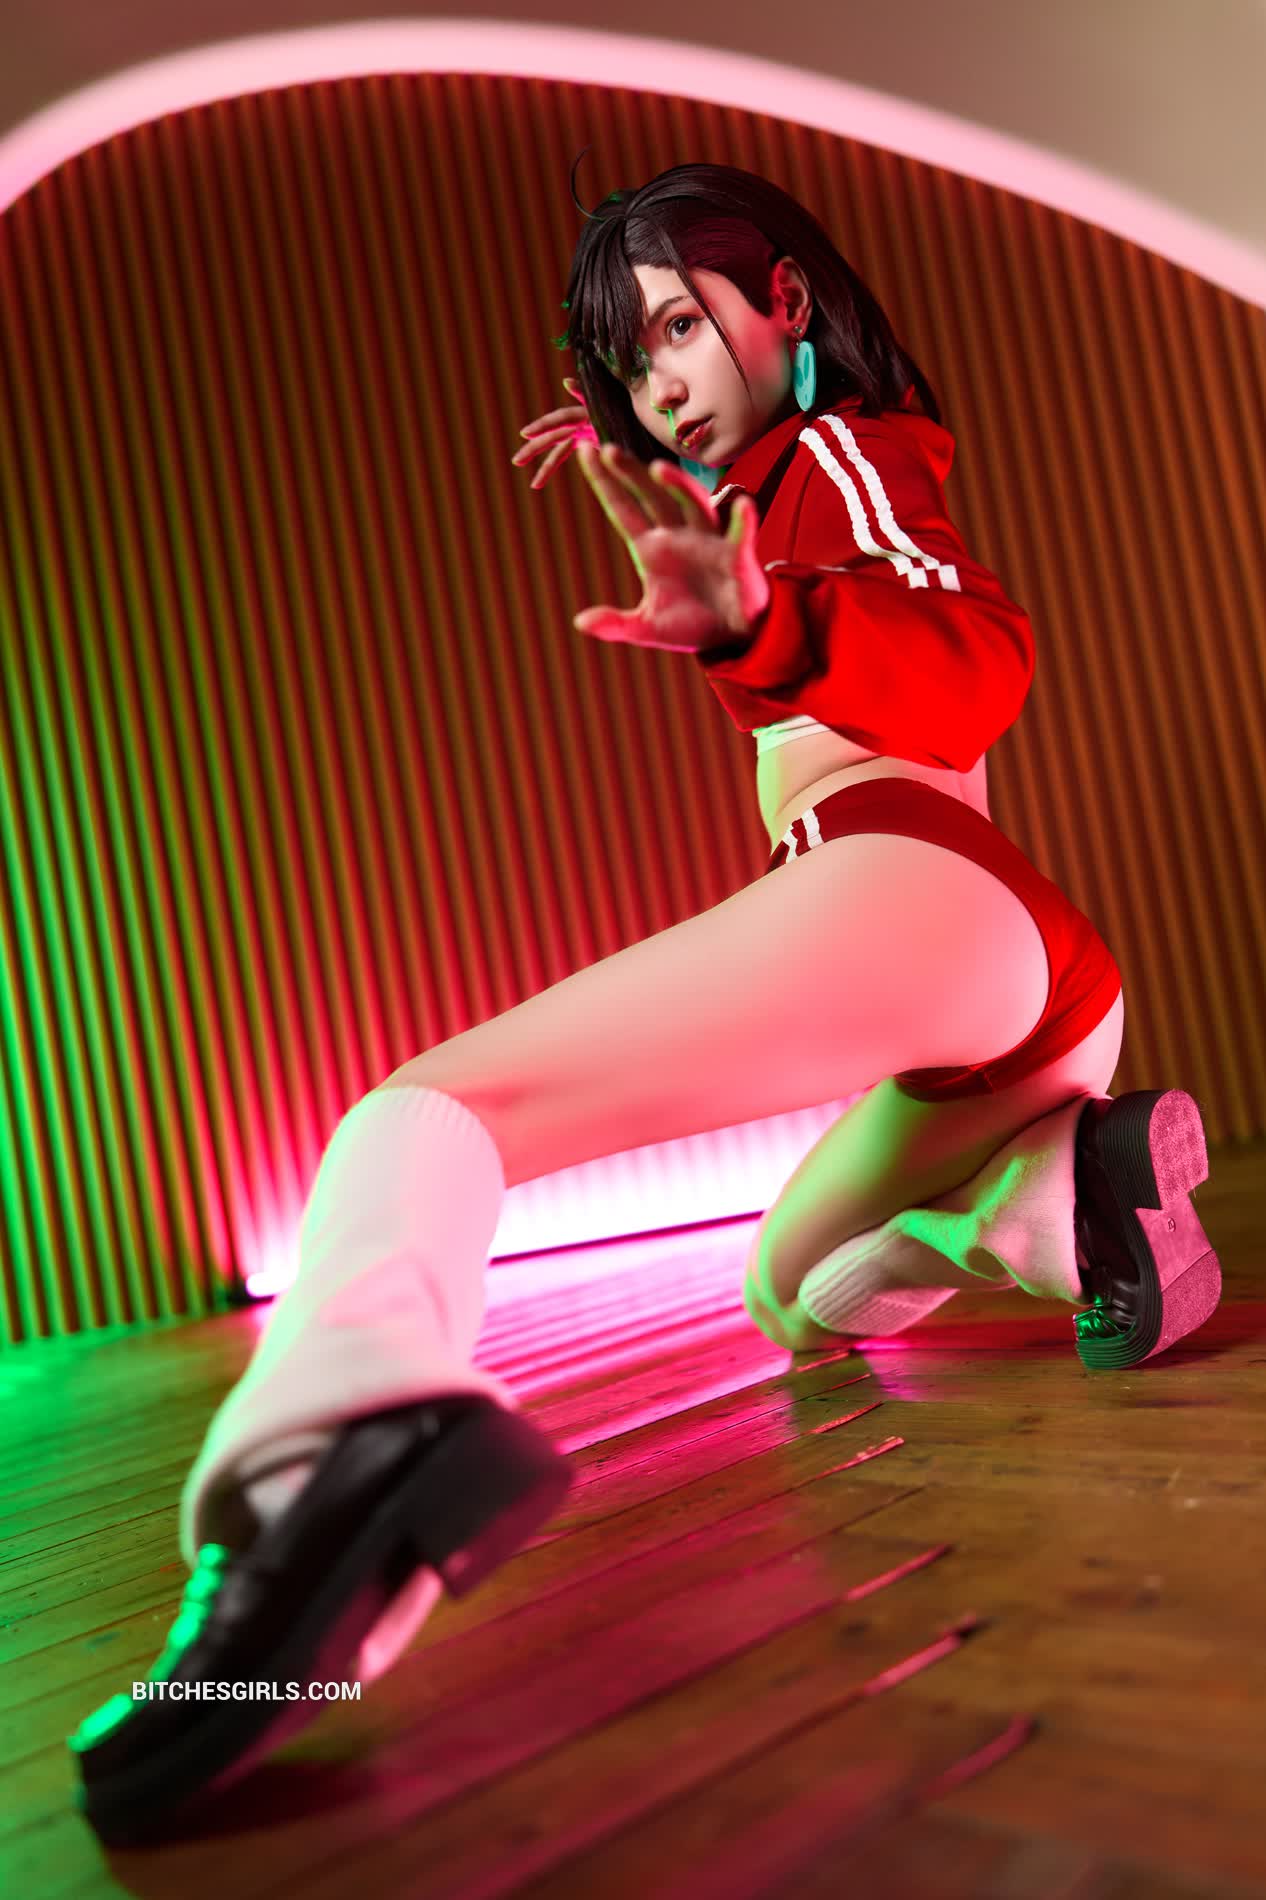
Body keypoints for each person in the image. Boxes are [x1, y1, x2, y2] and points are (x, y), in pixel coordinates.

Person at [68, 158, 1220, 1845]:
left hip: (927, 901)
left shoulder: (845, 457)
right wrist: (691, 498)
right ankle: (1055, 1197)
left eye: (680, 325)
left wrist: (764, 620)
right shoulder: (773, 483)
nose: (662, 379)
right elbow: (781, 529)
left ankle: (310, 1492)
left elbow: (976, 657)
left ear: (788, 300)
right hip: (1008, 999)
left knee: (419, 1117)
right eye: (630, 359)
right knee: (789, 1298)